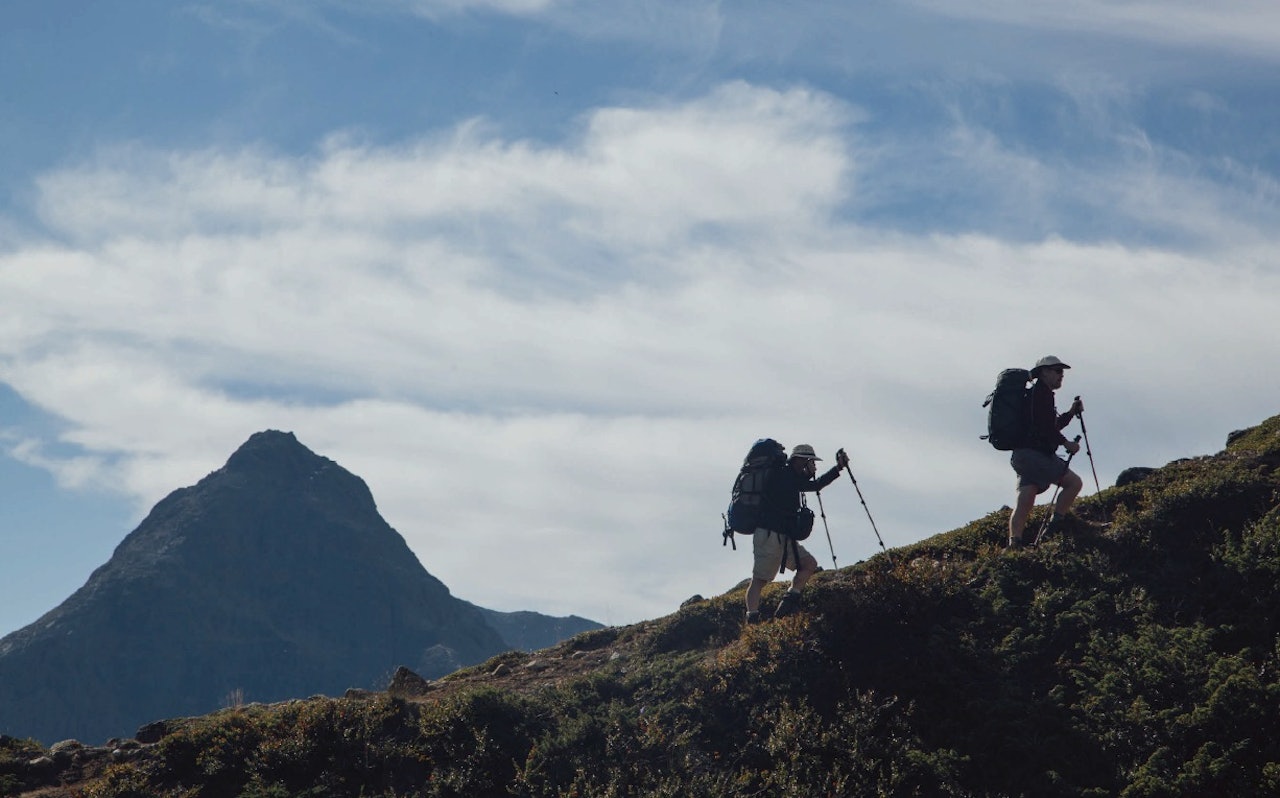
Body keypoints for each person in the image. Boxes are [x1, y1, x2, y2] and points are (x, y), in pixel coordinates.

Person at [745, 444, 848, 623]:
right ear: (799, 460)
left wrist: (835, 469)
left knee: (808, 563)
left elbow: (807, 485)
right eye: (809, 461)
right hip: (769, 535)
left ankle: (787, 605)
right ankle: (752, 619)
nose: (811, 465)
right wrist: (836, 469)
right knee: (759, 580)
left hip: (783, 537)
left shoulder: (789, 476)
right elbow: (813, 485)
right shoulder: (782, 475)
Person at [1008, 355, 1084, 548]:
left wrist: (1070, 413)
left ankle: (1014, 542)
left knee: (1026, 497)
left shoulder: (1033, 395)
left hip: (1021, 456)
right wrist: (1066, 443)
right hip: (1036, 455)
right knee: (1074, 483)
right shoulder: (1043, 394)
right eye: (1057, 371)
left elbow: (1049, 425)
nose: (1061, 375)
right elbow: (1046, 428)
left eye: (1062, 372)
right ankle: (1054, 528)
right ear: (1044, 372)